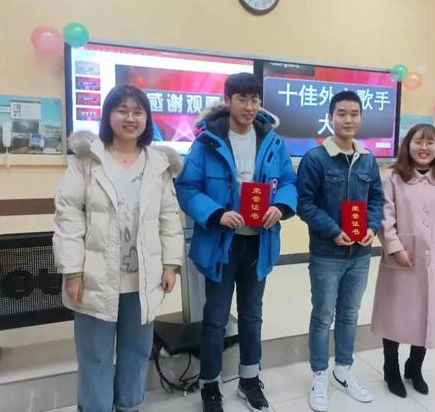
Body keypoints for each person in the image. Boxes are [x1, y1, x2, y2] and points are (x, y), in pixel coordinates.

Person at [53, 85, 184, 412]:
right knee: (95, 355)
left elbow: (169, 217)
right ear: (108, 115)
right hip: (95, 277)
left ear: (147, 118)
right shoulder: (87, 160)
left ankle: (129, 406)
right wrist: (72, 271)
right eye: (122, 110)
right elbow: (68, 217)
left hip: (143, 278)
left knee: (136, 351)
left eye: (138, 111)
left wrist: (171, 265)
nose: (130, 118)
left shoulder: (158, 164)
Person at [175, 72, 297, 412]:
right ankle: (209, 385)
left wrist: (280, 206)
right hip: (221, 244)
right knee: (215, 318)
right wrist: (216, 214)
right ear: (228, 101)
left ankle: (249, 379)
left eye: (255, 99)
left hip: (259, 243)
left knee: (252, 316)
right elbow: (187, 188)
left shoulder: (272, 141)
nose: (249, 106)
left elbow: (289, 181)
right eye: (242, 99)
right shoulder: (207, 141)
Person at [296, 90, 384, 411]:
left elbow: (377, 199)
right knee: (323, 316)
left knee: (349, 314)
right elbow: (304, 204)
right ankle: (320, 374)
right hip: (326, 254)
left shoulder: (368, 159)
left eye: (354, 114)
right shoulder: (314, 159)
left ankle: (343, 370)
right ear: (330, 118)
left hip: (360, 255)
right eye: (342, 113)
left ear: (360, 118)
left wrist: (372, 227)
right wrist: (333, 231)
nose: (349, 119)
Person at [371, 123, 435, 398]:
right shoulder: (392, 178)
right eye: (418, 142)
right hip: (401, 260)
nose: (424, 148)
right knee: (395, 316)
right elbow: (385, 217)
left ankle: (415, 366)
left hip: (434, 261)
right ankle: (391, 367)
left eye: (430, 142)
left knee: (427, 315)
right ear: (408, 145)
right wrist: (394, 247)